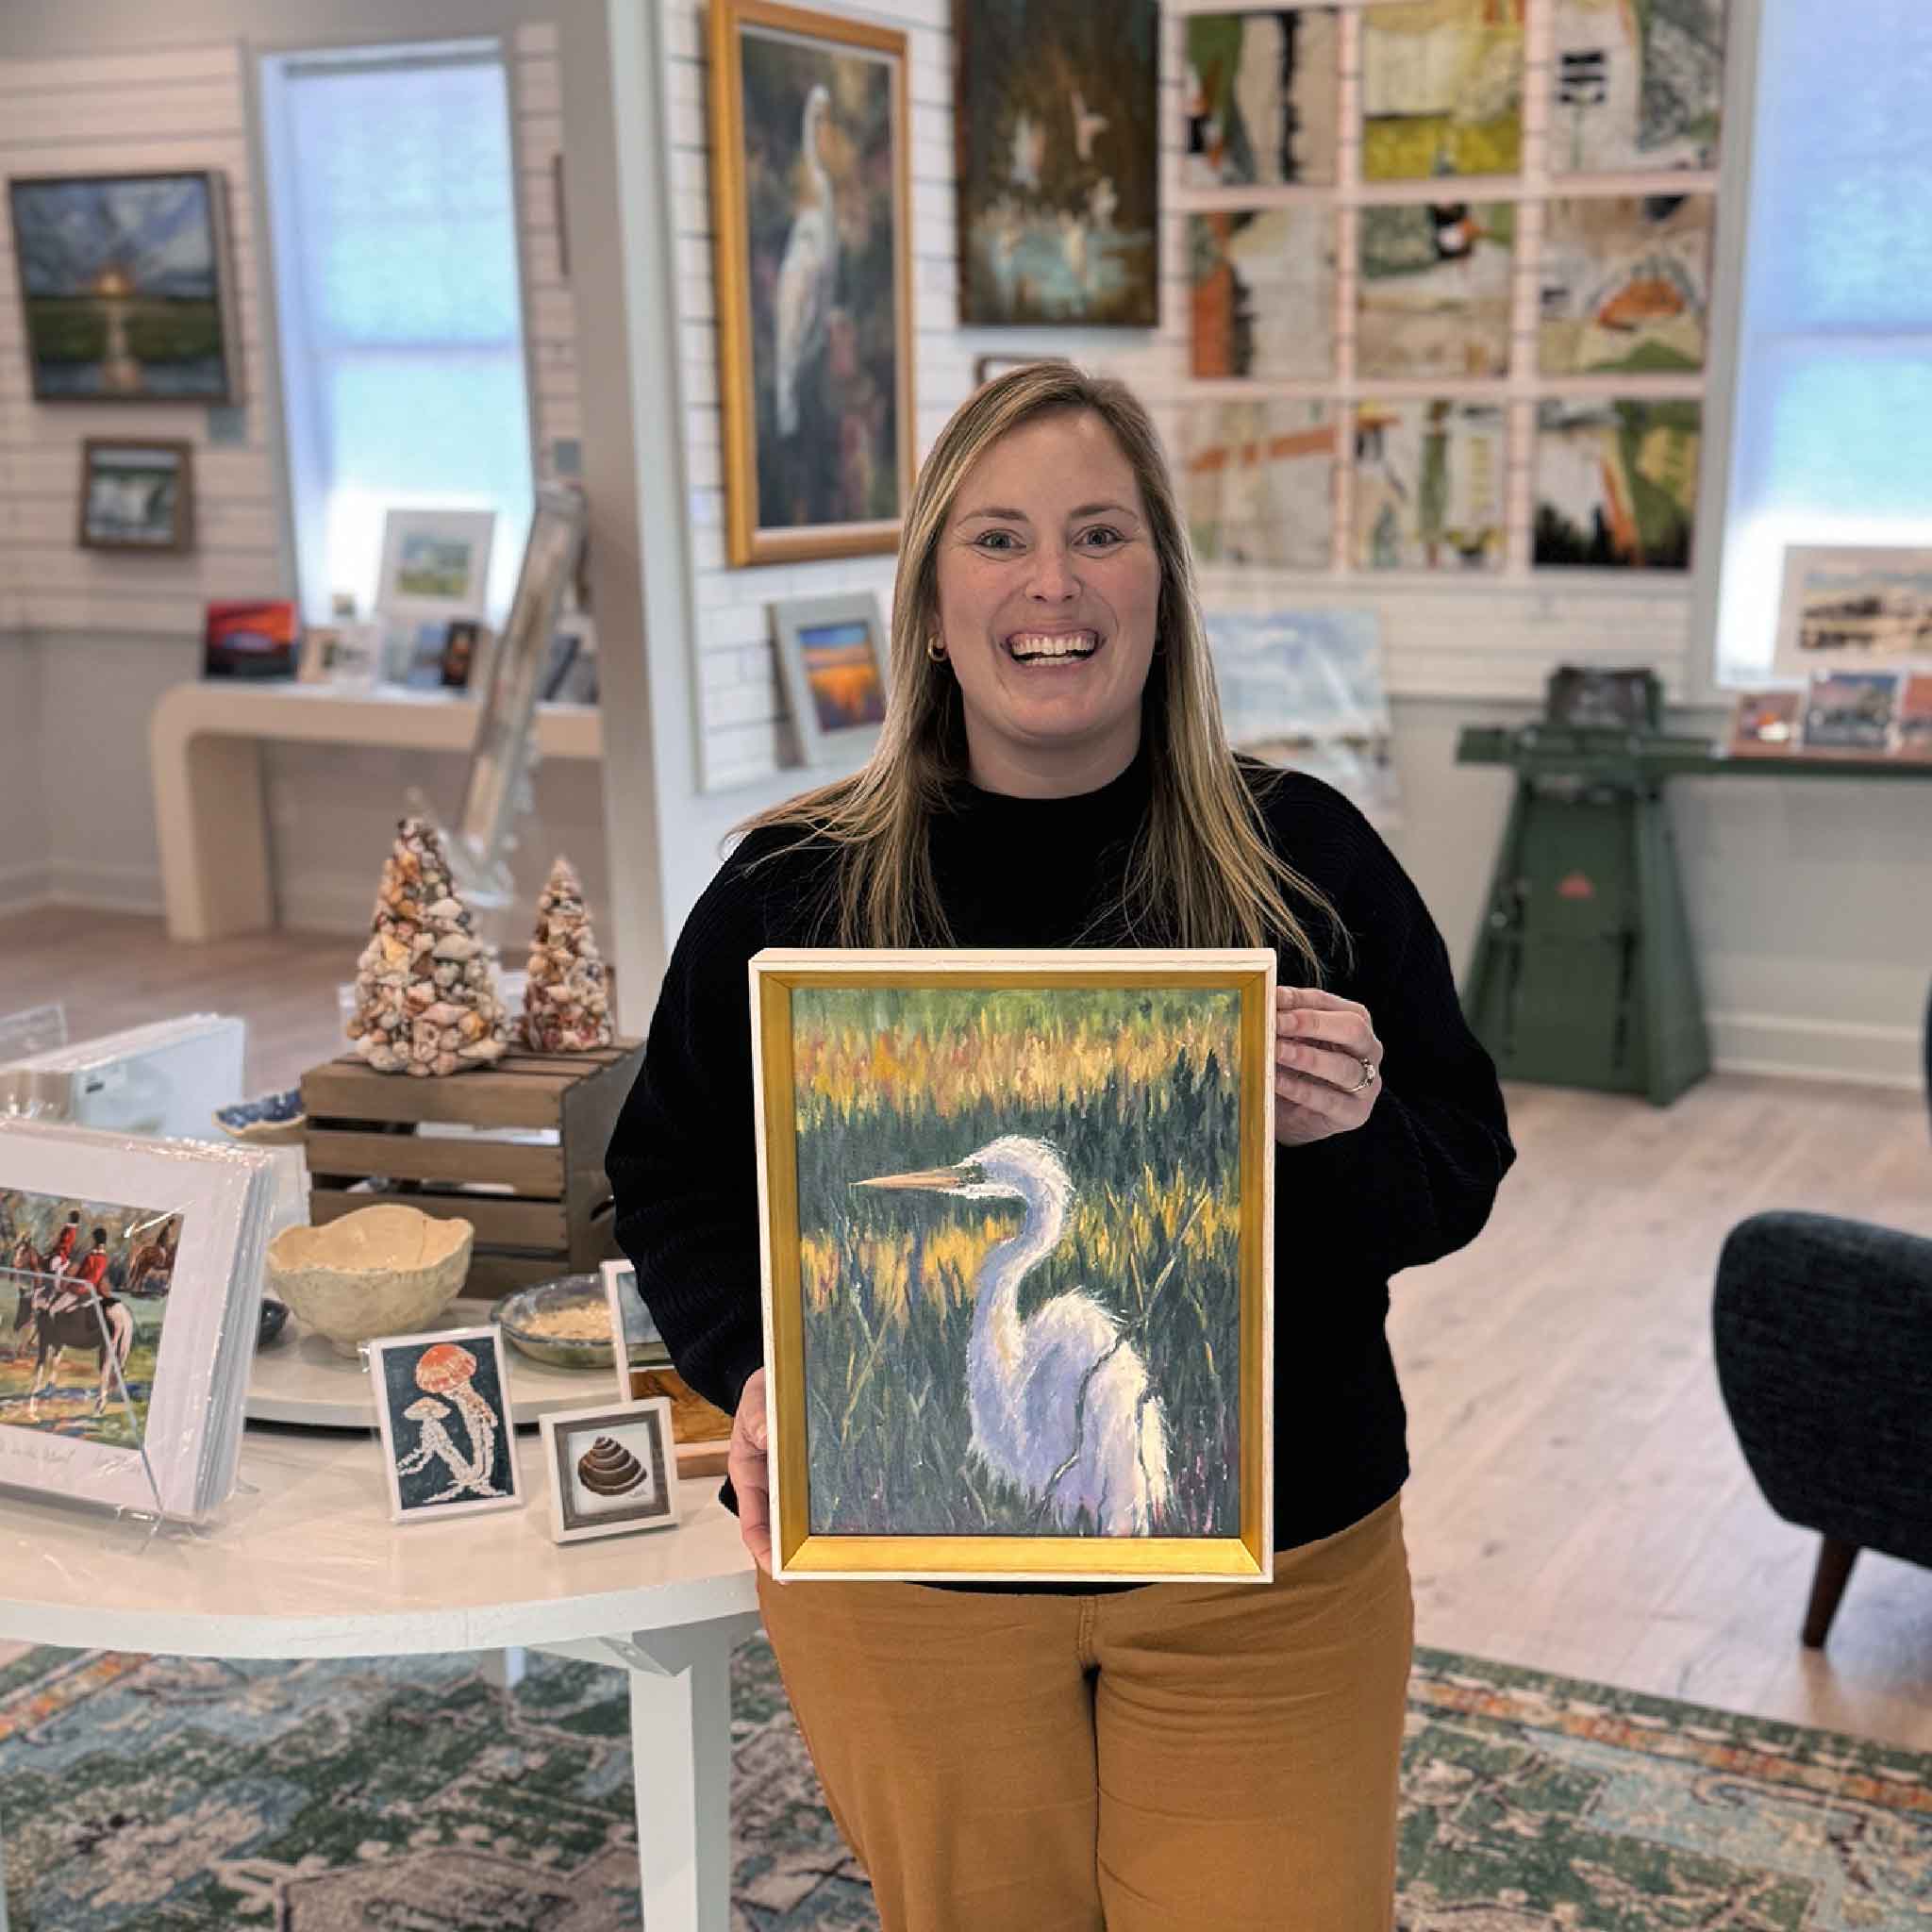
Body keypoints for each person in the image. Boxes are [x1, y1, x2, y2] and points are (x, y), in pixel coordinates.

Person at [606, 364, 1515, 1932]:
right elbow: (671, 1175)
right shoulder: (790, 893)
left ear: (1160, 583)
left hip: (1274, 1570)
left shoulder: (1304, 862)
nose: (1052, 585)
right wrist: (767, 1368)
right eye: (998, 539)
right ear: (932, 597)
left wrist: (1355, 1133)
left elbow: (1461, 1160)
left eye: (1099, 535)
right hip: (905, 1575)